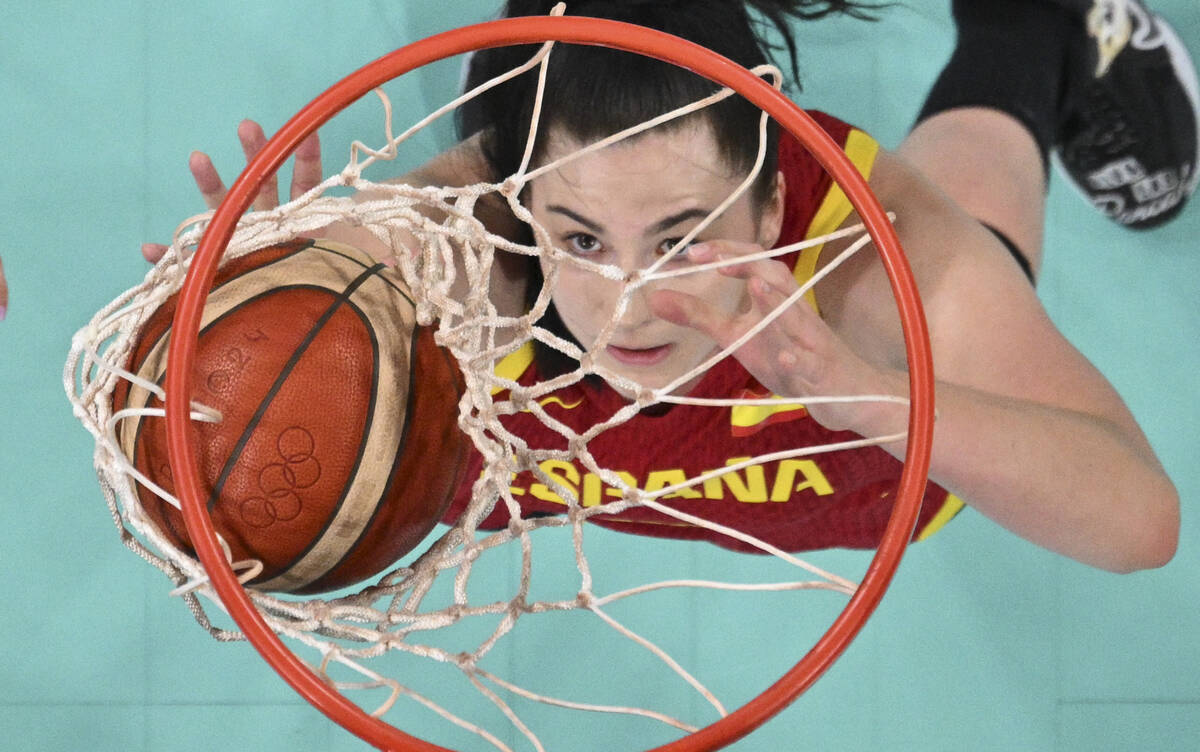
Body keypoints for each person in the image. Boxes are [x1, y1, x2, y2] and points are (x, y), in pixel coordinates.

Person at [146, 0, 1193, 572]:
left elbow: (1140, 517)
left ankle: (1037, 31)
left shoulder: (869, 272)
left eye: (683, 239)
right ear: (529, 211)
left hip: (865, 468)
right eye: (584, 239)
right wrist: (268, 307)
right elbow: (215, 429)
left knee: (985, 199)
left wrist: (869, 394)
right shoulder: (441, 269)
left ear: (770, 209)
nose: (633, 300)